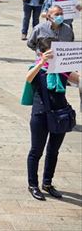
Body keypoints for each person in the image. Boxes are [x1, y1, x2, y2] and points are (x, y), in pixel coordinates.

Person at [23, 37, 79, 201]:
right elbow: (28, 78)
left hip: (60, 114)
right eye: (51, 53)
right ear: (42, 53)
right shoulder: (37, 68)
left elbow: (77, 79)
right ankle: (33, 184)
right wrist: (41, 62)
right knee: (36, 151)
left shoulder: (63, 69)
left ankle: (47, 182)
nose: (55, 57)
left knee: (53, 151)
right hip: (40, 115)